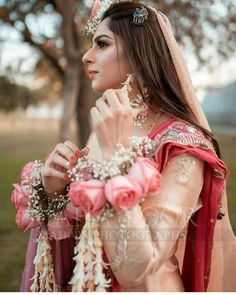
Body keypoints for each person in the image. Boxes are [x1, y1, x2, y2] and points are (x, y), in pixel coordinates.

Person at [13, 0, 236, 292]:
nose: (85, 57)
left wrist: (113, 160)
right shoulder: (110, 125)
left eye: (101, 45)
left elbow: (138, 269)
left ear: (138, 51)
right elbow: (89, 231)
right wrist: (55, 193)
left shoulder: (183, 144)